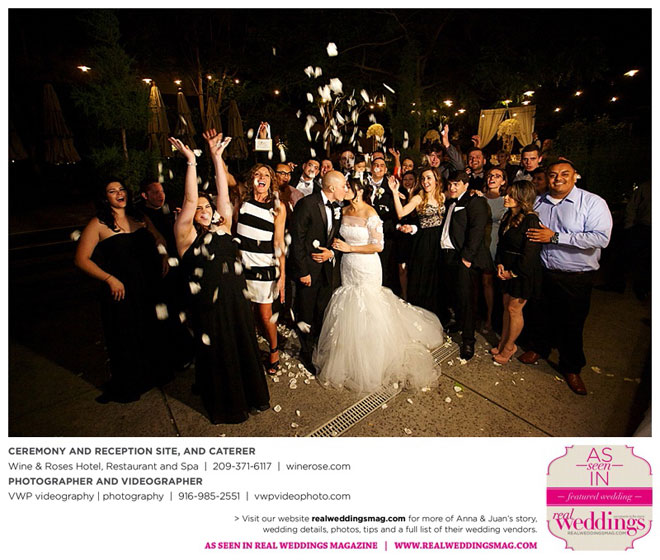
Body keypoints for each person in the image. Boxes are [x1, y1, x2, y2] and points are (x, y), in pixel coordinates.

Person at [169, 132, 269, 423]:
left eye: (207, 206)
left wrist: (216, 157)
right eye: (198, 208)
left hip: (236, 300)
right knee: (220, 351)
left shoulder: (223, 227)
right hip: (209, 306)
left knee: (242, 345)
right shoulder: (186, 235)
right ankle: (227, 404)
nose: (203, 210)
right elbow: (190, 199)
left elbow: (224, 195)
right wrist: (191, 162)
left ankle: (251, 395)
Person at [314, 178, 444, 392]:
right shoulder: (343, 210)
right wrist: (335, 249)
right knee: (349, 307)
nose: (345, 190)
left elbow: (378, 246)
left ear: (358, 191)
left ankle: (372, 359)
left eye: (348, 187)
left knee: (368, 306)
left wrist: (350, 248)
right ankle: (350, 354)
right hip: (348, 266)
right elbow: (335, 237)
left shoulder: (370, 213)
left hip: (367, 265)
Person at [74, 178, 171, 404]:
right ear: (104, 197)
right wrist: (109, 279)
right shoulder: (98, 224)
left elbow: (159, 238)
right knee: (126, 336)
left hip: (148, 285)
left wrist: (164, 255)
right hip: (122, 289)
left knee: (151, 331)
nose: (119, 193)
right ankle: (130, 382)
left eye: (121, 189)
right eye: (112, 191)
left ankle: (153, 374)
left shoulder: (138, 216)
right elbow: (81, 259)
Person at [520, 160, 613, 395]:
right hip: (543, 271)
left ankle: (571, 367)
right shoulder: (539, 202)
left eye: (564, 173)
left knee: (571, 323)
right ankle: (539, 348)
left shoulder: (592, 202)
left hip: (575, 276)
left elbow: (601, 238)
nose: (558, 178)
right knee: (540, 315)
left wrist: (555, 237)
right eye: (553, 175)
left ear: (574, 176)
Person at [289, 170, 348, 374]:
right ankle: (306, 354)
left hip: (327, 271)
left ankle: (319, 350)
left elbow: (337, 236)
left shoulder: (338, 207)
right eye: (343, 186)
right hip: (308, 271)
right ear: (331, 187)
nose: (345, 190)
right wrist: (303, 272)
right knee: (305, 312)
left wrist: (331, 253)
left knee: (322, 312)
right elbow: (296, 240)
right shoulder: (307, 204)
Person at [137, 179, 194, 369]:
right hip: (158, 269)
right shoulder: (141, 215)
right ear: (145, 195)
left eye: (161, 191)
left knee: (183, 308)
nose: (160, 195)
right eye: (155, 192)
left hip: (178, 266)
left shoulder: (168, 210)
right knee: (168, 311)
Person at [236, 163, 287, 375]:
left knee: (265, 314)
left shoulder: (278, 207)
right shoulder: (242, 200)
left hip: (265, 266)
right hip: (242, 265)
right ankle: (249, 351)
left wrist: (282, 274)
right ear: (252, 179)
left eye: (266, 175)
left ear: (271, 181)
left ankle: (274, 350)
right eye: (257, 174)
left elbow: (279, 242)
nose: (261, 177)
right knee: (245, 313)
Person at [440, 170, 492, 360]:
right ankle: (459, 324)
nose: (452, 187)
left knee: (466, 299)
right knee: (454, 295)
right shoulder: (449, 202)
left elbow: (477, 230)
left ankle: (469, 340)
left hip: (462, 257)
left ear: (466, 185)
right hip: (447, 256)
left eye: (457, 184)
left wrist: (467, 257)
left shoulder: (474, 201)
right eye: (450, 184)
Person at [491, 181, 542, 364]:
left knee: (514, 309)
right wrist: (499, 264)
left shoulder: (531, 220)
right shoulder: (508, 216)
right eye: (507, 194)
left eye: (511, 195)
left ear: (522, 198)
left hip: (521, 271)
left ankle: (509, 347)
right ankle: (503, 342)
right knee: (506, 306)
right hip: (506, 266)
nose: (506, 197)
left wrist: (512, 273)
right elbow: (501, 244)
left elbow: (530, 253)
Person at [389, 168, 445, 318]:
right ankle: (421, 315)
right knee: (422, 277)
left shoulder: (443, 196)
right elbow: (401, 213)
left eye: (429, 178)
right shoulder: (419, 198)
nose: (425, 182)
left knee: (437, 279)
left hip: (439, 241)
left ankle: (436, 315)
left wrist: (475, 193)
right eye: (423, 179)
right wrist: (394, 192)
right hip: (424, 242)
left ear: (436, 180)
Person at [481, 168, 508, 332]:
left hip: (495, 244)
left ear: (503, 181)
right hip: (479, 243)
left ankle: (490, 318)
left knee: (489, 282)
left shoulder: (506, 200)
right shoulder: (478, 198)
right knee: (477, 283)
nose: (492, 178)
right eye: (490, 175)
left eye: (497, 176)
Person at [368, 156, 399, 293]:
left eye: (382, 165)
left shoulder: (391, 187)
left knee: (384, 269)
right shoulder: (364, 184)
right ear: (371, 168)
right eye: (376, 165)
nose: (378, 168)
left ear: (386, 169)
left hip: (386, 235)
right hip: (366, 235)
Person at [393, 170, 418, 300]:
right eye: (405, 179)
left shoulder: (419, 196)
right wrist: (399, 227)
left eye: (410, 179)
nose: (408, 182)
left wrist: (412, 228)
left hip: (416, 238)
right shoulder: (397, 195)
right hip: (401, 237)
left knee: (413, 268)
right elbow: (393, 217)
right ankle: (404, 295)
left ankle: (413, 295)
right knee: (402, 268)